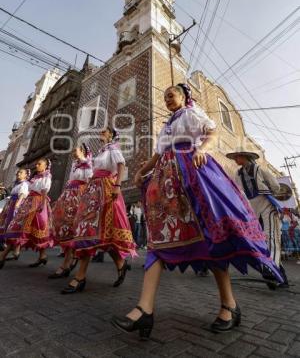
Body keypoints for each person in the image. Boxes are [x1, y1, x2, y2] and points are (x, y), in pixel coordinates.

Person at [111, 83, 283, 339]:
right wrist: (142, 170)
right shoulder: (168, 125)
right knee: (160, 238)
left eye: (172, 95)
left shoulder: (192, 114)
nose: (168, 99)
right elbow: (159, 154)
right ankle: (144, 309)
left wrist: (202, 149)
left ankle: (229, 305)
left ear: (184, 97)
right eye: (165, 96)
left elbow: (211, 134)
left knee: (210, 238)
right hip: (167, 181)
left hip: (194, 175)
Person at [61, 127, 137, 294]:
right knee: (92, 230)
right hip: (93, 189)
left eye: (104, 131)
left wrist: (117, 186)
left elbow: (121, 165)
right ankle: (121, 264)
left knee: (97, 230)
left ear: (111, 134)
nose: (101, 132)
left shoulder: (113, 148)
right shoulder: (102, 151)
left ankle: (80, 277)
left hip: (106, 188)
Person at [226, 148, 289, 287]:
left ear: (245, 157)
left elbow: (276, 186)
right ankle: (281, 276)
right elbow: (239, 191)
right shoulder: (238, 173)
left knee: (271, 236)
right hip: (252, 207)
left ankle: (270, 269)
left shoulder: (259, 169)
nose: (236, 160)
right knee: (260, 238)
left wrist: (267, 192)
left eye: (237, 157)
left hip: (266, 203)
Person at [49, 143, 93, 279]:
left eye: (76, 151)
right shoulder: (74, 164)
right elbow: (70, 181)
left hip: (79, 197)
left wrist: (85, 199)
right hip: (69, 195)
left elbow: (89, 181)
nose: (74, 153)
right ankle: (68, 260)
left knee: (74, 228)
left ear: (83, 151)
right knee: (64, 227)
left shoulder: (88, 164)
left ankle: (67, 264)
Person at [5, 158, 53, 267]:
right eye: (36, 163)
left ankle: (4, 254)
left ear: (45, 166)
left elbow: (45, 190)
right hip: (29, 202)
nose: (37, 165)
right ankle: (42, 256)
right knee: (19, 226)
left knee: (36, 229)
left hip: (38, 202)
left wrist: (42, 204)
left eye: (39, 164)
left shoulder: (46, 176)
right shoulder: (35, 177)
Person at [0, 169, 30, 268]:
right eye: (17, 172)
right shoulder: (16, 184)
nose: (18, 174)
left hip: (16, 206)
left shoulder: (24, 184)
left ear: (26, 175)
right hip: (11, 204)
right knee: (7, 224)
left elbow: (22, 195)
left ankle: (7, 250)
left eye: (21, 173)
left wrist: (17, 205)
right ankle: (15, 251)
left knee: (12, 225)